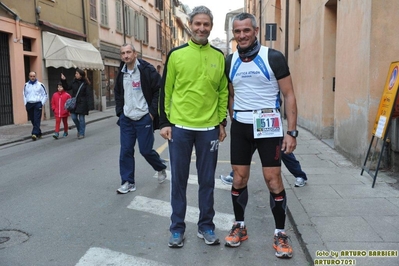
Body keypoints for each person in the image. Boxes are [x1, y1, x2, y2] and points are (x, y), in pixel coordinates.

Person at [224, 13, 298, 258]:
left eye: (246, 30)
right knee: (238, 178)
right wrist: (231, 119)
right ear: (233, 34)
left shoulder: (273, 57)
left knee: (273, 180)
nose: (242, 35)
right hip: (242, 127)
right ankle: (240, 226)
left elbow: (288, 95)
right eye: (237, 31)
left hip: (269, 127)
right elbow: (231, 94)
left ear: (255, 30)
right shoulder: (229, 60)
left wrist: (291, 132)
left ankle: (280, 233)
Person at [159, 6, 228, 248]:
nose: (201, 28)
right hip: (180, 127)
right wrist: (165, 122)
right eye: (197, 24)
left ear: (211, 26)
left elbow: (222, 91)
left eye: (206, 24)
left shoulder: (219, 57)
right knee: (178, 180)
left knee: (207, 180)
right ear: (189, 24)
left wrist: (221, 122)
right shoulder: (176, 55)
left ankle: (206, 226)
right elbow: (165, 90)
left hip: (208, 127)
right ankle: (177, 229)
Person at [114, 43, 167, 194]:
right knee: (125, 151)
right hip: (127, 118)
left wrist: (151, 113)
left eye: (129, 52)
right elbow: (118, 93)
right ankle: (128, 182)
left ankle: (160, 166)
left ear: (135, 54)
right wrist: (120, 112)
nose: (126, 55)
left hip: (144, 117)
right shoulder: (121, 72)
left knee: (145, 150)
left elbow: (159, 90)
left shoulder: (146, 69)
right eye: (123, 53)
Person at [221, 152, 308, 187]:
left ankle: (300, 175)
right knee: (247, 150)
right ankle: (234, 176)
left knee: (282, 149)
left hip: (269, 122)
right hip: (252, 121)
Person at [60, 69, 94, 139]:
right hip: (74, 103)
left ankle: (81, 133)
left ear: (81, 75)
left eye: (77, 74)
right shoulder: (73, 82)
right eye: (75, 73)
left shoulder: (85, 83)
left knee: (81, 119)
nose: (75, 75)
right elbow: (67, 88)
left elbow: (88, 94)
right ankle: (80, 129)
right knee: (74, 117)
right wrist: (63, 80)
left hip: (82, 102)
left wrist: (89, 105)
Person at [23, 71, 48, 141]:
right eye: (31, 76)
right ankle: (39, 133)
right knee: (33, 119)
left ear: (35, 76)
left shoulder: (40, 85)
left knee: (37, 118)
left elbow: (45, 95)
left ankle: (34, 133)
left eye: (33, 76)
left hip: (37, 103)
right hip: (29, 104)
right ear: (29, 77)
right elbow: (24, 95)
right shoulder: (26, 85)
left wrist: (41, 103)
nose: (32, 77)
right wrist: (26, 103)